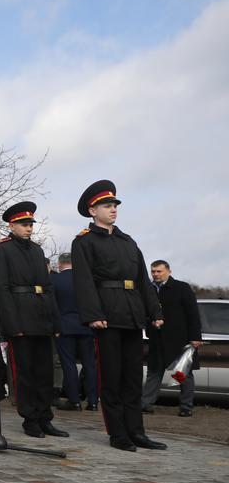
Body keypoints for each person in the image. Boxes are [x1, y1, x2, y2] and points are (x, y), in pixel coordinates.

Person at [72, 180, 166, 451]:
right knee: (111, 377)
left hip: (132, 314)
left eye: (114, 205)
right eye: (106, 205)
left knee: (132, 377)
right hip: (107, 315)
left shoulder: (128, 241)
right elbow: (84, 281)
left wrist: (154, 311)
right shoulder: (84, 242)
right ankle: (118, 433)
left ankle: (137, 431)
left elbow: (142, 280)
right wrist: (93, 314)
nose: (113, 209)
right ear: (92, 211)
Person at [0, 202, 67, 439]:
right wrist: (11, 324)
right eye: (24, 224)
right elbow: (1, 290)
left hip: (42, 317)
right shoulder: (1, 250)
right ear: (11, 225)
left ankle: (45, 417)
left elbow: (48, 287)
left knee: (44, 372)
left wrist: (55, 322)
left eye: (30, 224)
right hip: (20, 317)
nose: (28, 228)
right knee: (24, 372)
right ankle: (29, 418)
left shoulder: (37, 250)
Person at [142, 260, 202, 417]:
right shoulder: (148, 290)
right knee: (154, 372)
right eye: (153, 271)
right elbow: (144, 313)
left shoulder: (182, 288)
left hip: (179, 339)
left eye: (159, 271)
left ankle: (186, 407)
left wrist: (195, 337)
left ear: (169, 271)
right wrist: (150, 325)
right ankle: (146, 404)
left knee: (183, 374)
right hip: (156, 339)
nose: (155, 274)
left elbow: (193, 314)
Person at [52, 252, 98, 411]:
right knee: (90, 365)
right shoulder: (85, 280)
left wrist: (55, 327)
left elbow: (53, 306)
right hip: (86, 326)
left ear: (60, 264)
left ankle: (74, 400)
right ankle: (93, 401)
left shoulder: (54, 280)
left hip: (64, 326)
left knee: (68, 364)